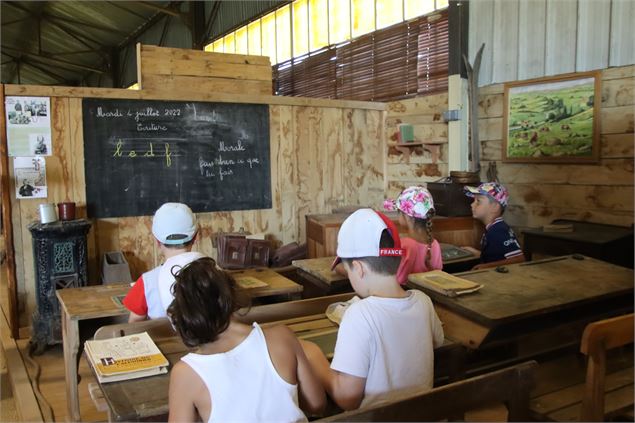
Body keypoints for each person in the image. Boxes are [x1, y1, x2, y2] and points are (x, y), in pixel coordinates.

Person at [301, 208, 444, 410]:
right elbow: (437, 342)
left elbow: (347, 398)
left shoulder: (359, 314)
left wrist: (314, 355)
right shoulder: (423, 302)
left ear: (359, 268)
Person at [167, 257, 325, 422]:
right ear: (232, 294)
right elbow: (317, 404)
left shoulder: (185, 374)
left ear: (184, 314)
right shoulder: (281, 337)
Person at [122, 202, 203, 322]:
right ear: (196, 237)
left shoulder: (146, 282)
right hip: (204, 340)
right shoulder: (213, 275)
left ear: (157, 242)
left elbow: (134, 327)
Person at [383, 186, 442, 285]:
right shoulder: (435, 244)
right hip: (427, 297)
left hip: (406, 297)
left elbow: (398, 281)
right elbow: (439, 276)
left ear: (406, 216)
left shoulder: (405, 245)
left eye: (399, 212)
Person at [461, 182, 523, 264]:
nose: (472, 204)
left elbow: (519, 259)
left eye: (478, 201)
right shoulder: (494, 227)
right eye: (474, 200)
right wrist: (475, 252)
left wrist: (484, 267)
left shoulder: (498, 230)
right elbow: (495, 257)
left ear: (495, 207)